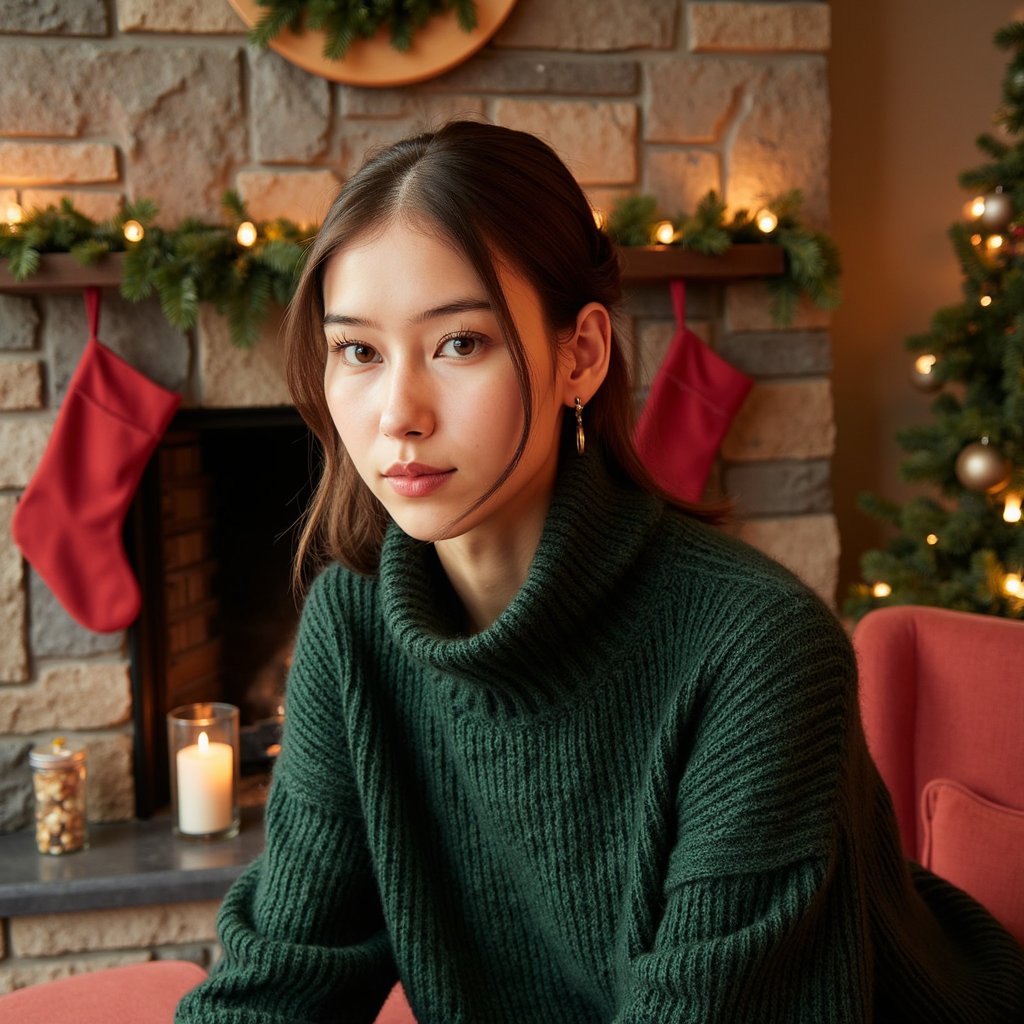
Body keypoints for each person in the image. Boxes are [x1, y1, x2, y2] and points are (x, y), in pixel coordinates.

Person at [175, 120, 1024, 1023]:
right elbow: (280, 979)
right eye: (358, 351)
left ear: (579, 354)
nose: (398, 414)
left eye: (460, 343)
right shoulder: (353, 622)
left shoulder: (758, 649)